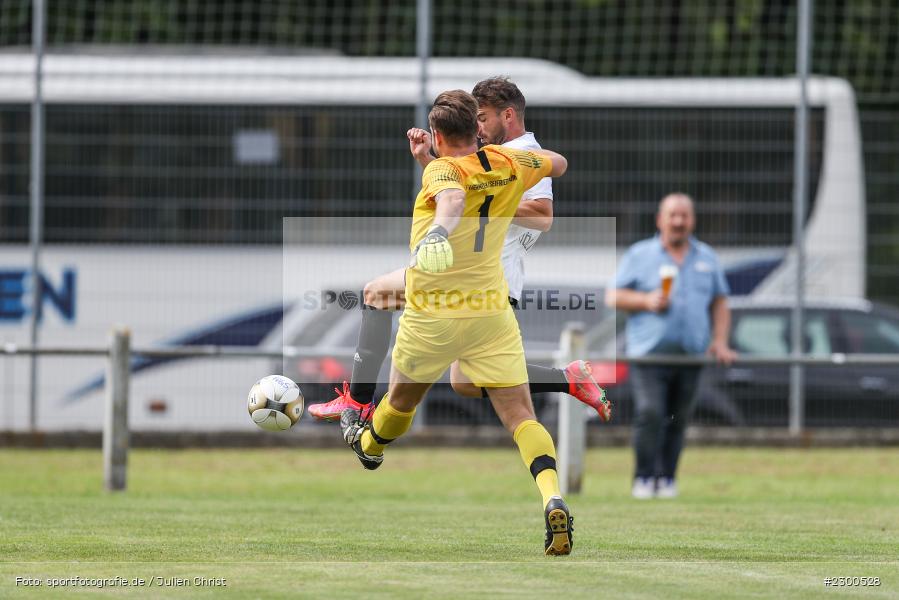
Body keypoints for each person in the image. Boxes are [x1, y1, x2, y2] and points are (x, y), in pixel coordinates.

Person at [340, 89, 574, 555]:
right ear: (477, 129)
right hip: (490, 313)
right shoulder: (508, 163)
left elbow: (449, 198)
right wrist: (505, 163)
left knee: (400, 404)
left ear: (438, 135)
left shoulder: (443, 169)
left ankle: (368, 439)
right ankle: (552, 496)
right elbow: (559, 163)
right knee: (520, 416)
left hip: (435, 312)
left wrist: (439, 232)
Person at [308, 77, 610, 423]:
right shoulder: (493, 158)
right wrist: (431, 161)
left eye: (482, 118)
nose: (477, 128)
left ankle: (359, 404)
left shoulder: (523, 154)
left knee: (377, 295)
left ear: (508, 116)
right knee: (464, 382)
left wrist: (490, 200)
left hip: (484, 279)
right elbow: (464, 196)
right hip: (473, 276)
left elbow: (542, 215)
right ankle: (568, 380)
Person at [605, 193, 737, 500]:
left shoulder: (707, 257)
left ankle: (666, 479)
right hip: (648, 355)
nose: (678, 221)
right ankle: (643, 477)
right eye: (672, 215)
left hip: (692, 357)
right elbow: (613, 296)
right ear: (660, 220)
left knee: (678, 418)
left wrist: (719, 341)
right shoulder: (640, 254)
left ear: (692, 220)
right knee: (650, 413)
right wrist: (646, 300)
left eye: (684, 215)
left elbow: (720, 302)